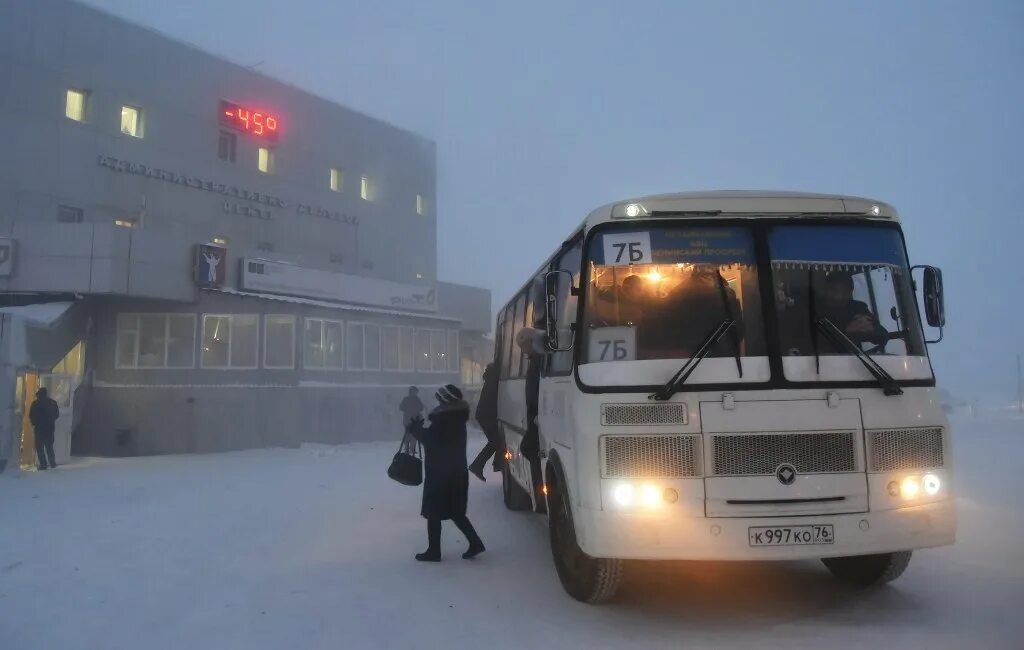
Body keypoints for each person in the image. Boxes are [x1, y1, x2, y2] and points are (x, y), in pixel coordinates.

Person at [407, 384, 485, 562]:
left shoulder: (444, 419)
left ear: (445, 400)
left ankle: (434, 551)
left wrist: (416, 430)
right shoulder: (456, 418)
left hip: (440, 474)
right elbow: (440, 440)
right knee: (456, 512)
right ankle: (475, 542)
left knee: (433, 512)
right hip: (456, 472)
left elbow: (432, 442)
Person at [817, 271, 888, 347]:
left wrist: (871, 330)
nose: (828, 293)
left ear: (848, 293)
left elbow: (883, 336)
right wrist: (847, 330)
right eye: (826, 289)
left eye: (834, 290)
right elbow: (816, 340)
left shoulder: (858, 308)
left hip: (854, 354)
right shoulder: (816, 308)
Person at [468, 363, 502, 482]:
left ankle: (481, 465)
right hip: (487, 416)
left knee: (495, 441)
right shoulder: (493, 381)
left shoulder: (490, 379)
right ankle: (478, 465)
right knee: (496, 441)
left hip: (484, 415)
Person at [29, 387, 59, 470]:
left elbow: (31, 415)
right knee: (49, 447)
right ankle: (52, 464)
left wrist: (34, 423)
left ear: (39, 394)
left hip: (39, 429)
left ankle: (43, 464)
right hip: (49, 429)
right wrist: (51, 420)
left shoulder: (35, 403)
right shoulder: (52, 403)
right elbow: (57, 415)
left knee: (39, 448)